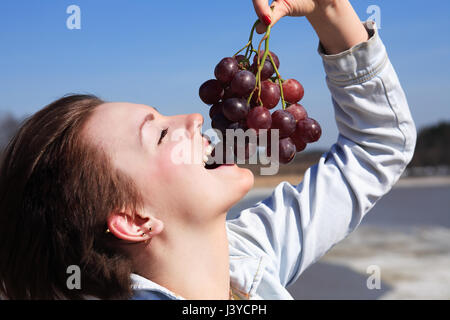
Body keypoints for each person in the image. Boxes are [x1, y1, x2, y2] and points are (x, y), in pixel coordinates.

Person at [0, 0, 416, 300]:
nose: (194, 118)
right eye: (160, 134)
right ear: (133, 219)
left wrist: (331, 12)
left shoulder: (246, 258)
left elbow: (375, 146)